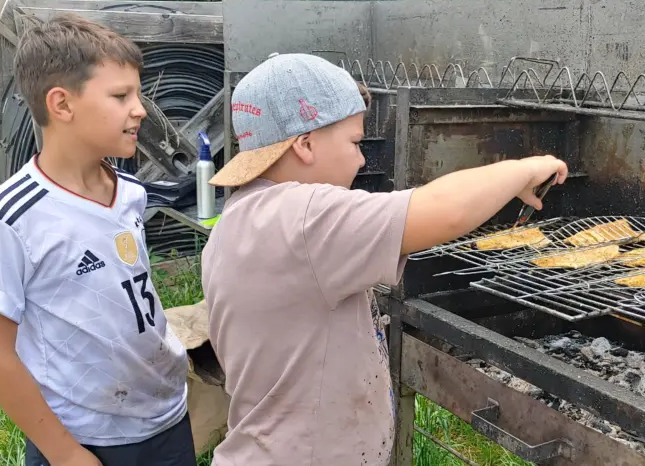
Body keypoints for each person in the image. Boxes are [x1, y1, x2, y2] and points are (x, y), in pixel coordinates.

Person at [201, 52, 569, 466]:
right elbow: (444, 209)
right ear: (304, 143)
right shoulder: (304, 219)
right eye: (354, 143)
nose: (361, 159)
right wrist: (526, 168)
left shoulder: (240, 218)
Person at [0, 15, 195, 466]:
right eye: (121, 96)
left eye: (138, 94)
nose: (140, 109)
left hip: (167, 418)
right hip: (85, 441)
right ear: (61, 104)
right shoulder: (9, 218)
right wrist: (65, 454)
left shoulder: (131, 193)